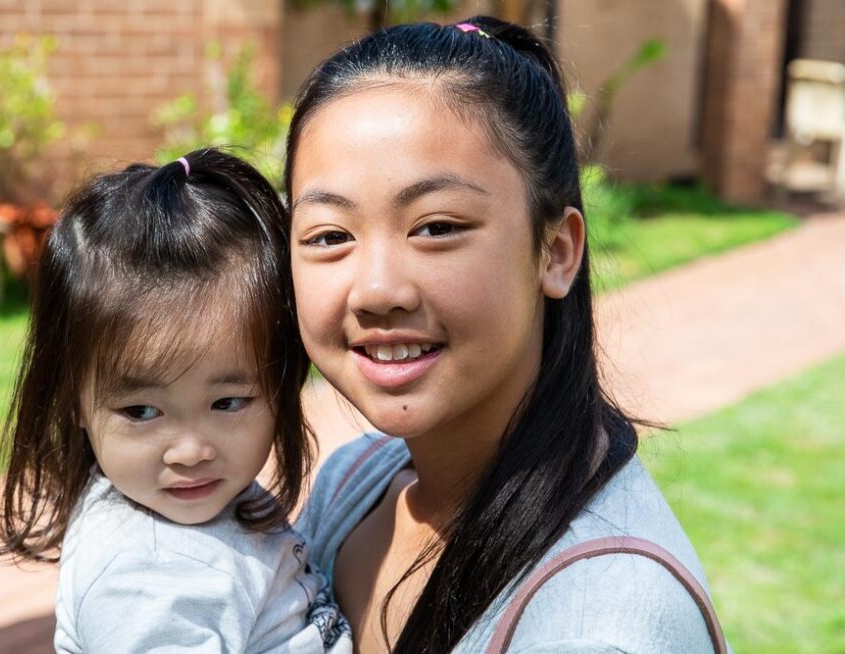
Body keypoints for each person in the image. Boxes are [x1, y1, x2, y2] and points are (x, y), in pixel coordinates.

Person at [287, 16, 729, 654]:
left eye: (436, 227)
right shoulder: (354, 486)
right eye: (330, 236)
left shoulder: (603, 626)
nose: (378, 290)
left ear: (554, 250)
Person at [0, 149, 350, 653]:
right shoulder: (151, 585)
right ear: (71, 402)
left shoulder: (185, 510)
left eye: (229, 402)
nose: (190, 450)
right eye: (141, 412)